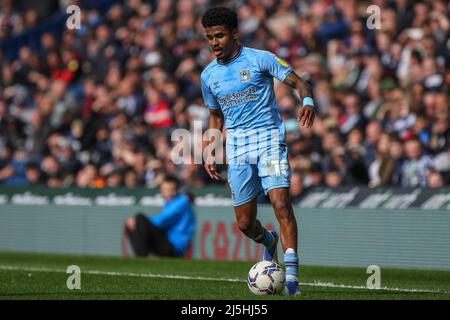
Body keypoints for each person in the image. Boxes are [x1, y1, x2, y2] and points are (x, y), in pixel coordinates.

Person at [200, 7, 315, 296]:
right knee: (244, 223)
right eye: (209, 37)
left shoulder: (260, 58)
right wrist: (211, 149)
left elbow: (299, 82)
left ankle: (291, 280)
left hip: (269, 142)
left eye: (219, 35)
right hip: (238, 150)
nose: (214, 42)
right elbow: (215, 116)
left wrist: (308, 100)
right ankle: (268, 241)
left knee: (280, 203)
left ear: (234, 33)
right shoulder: (208, 76)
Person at [124, 176, 195, 258]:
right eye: (165, 190)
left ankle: (142, 258)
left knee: (139, 218)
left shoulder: (182, 201)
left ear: (176, 190)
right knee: (131, 222)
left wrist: (141, 221)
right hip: (167, 242)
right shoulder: (170, 203)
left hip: (174, 247)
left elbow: (162, 220)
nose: (168, 193)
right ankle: (142, 256)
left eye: (170, 189)